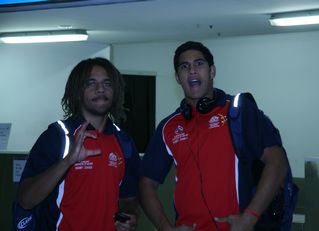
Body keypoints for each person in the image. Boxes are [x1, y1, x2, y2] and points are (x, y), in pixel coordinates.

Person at [139, 41, 290, 231]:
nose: (192, 70)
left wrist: (250, 217)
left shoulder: (239, 112)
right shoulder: (169, 127)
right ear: (178, 77)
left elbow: (277, 161)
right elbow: (146, 183)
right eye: (184, 67)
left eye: (199, 64)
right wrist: (165, 228)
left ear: (212, 71)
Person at [15, 57, 140, 231]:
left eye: (107, 83)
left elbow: (129, 200)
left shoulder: (123, 141)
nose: (100, 89)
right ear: (77, 91)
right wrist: (67, 162)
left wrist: (128, 218)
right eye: (91, 83)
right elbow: (26, 200)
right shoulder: (57, 136)